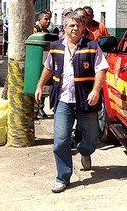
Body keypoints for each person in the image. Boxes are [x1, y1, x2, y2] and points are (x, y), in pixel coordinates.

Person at [34, 11, 109, 193]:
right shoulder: (56, 46)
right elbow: (48, 68)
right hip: (63, 102)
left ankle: (84, 151)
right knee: (60, 142)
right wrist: (39, 85)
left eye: (78, 25)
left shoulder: (92, 45)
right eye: (71, 25)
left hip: (86, 102)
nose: (75, 28)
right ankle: (63, 177)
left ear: (83, 28)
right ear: (65, 28)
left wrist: (96, 90)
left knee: (91, 141)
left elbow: (101, 69)